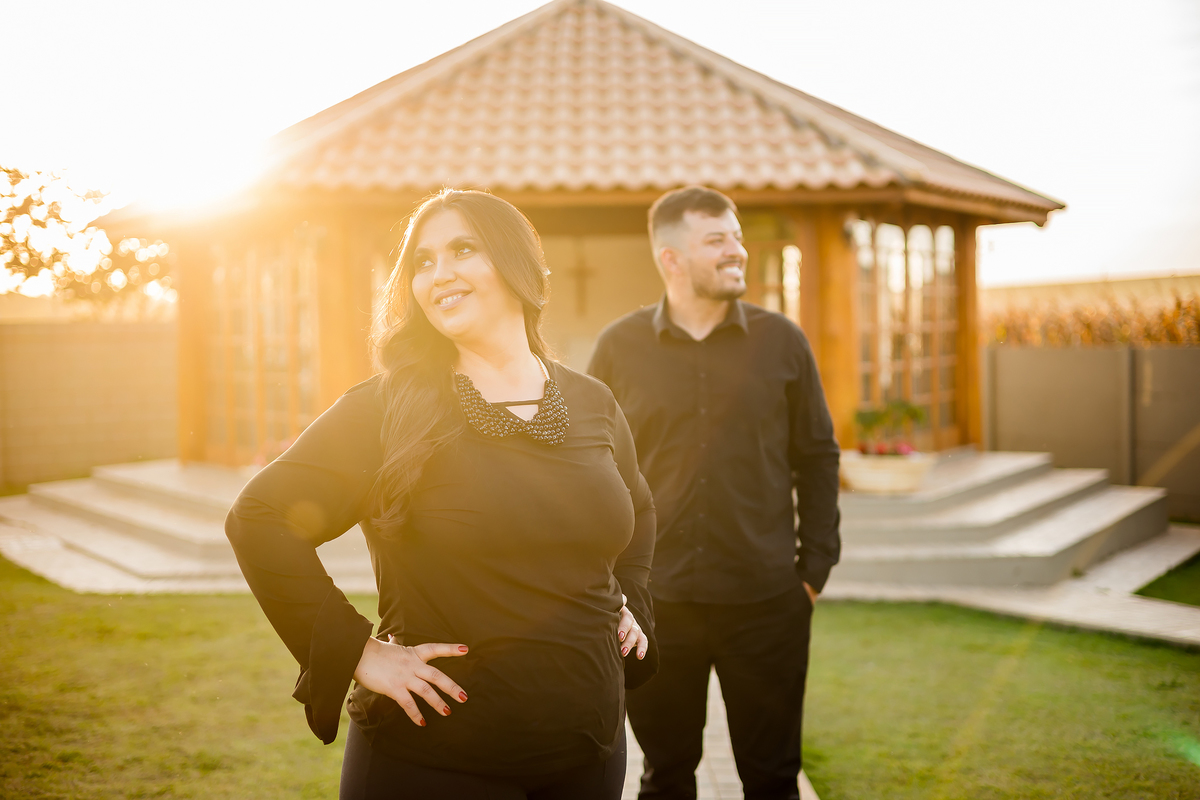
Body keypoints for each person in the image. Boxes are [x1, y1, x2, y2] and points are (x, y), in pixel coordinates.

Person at [225, 189, 658, 800]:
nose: (439, 274)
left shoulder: (593, 403)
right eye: (421, 262)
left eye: (462, 250)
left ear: (520, 268)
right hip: (432, 761)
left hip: (586, 752)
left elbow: (637, 507)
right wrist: (358, 651)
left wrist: (631, 598)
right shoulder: (384, 410)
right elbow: (259, 517)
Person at [588, 186, 841, 800]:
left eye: (737, 237)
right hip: (656, 607)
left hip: (767, 603)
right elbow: (588, 465)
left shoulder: (783, 342)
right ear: (671, 259)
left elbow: (817, 455)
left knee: (773, 779)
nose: (738, 251)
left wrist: (814, 569)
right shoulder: (618, 349)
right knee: (664, 776)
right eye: (717, 240)